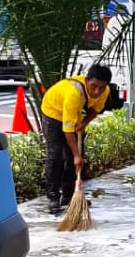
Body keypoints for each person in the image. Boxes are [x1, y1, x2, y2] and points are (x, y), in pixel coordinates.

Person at [40, 63, 111, 214]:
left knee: (77, 161)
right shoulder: (74, 93)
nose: (97, 91)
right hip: (53, 113)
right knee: (56, 156)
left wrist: (84, 123)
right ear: (87, 80)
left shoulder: (105, 91)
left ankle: (69, 195)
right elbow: (67, 130)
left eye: (101, 88)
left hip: (74, 115)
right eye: (93, 86)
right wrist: (76, 155)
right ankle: (53, 197)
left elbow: (95, 110)